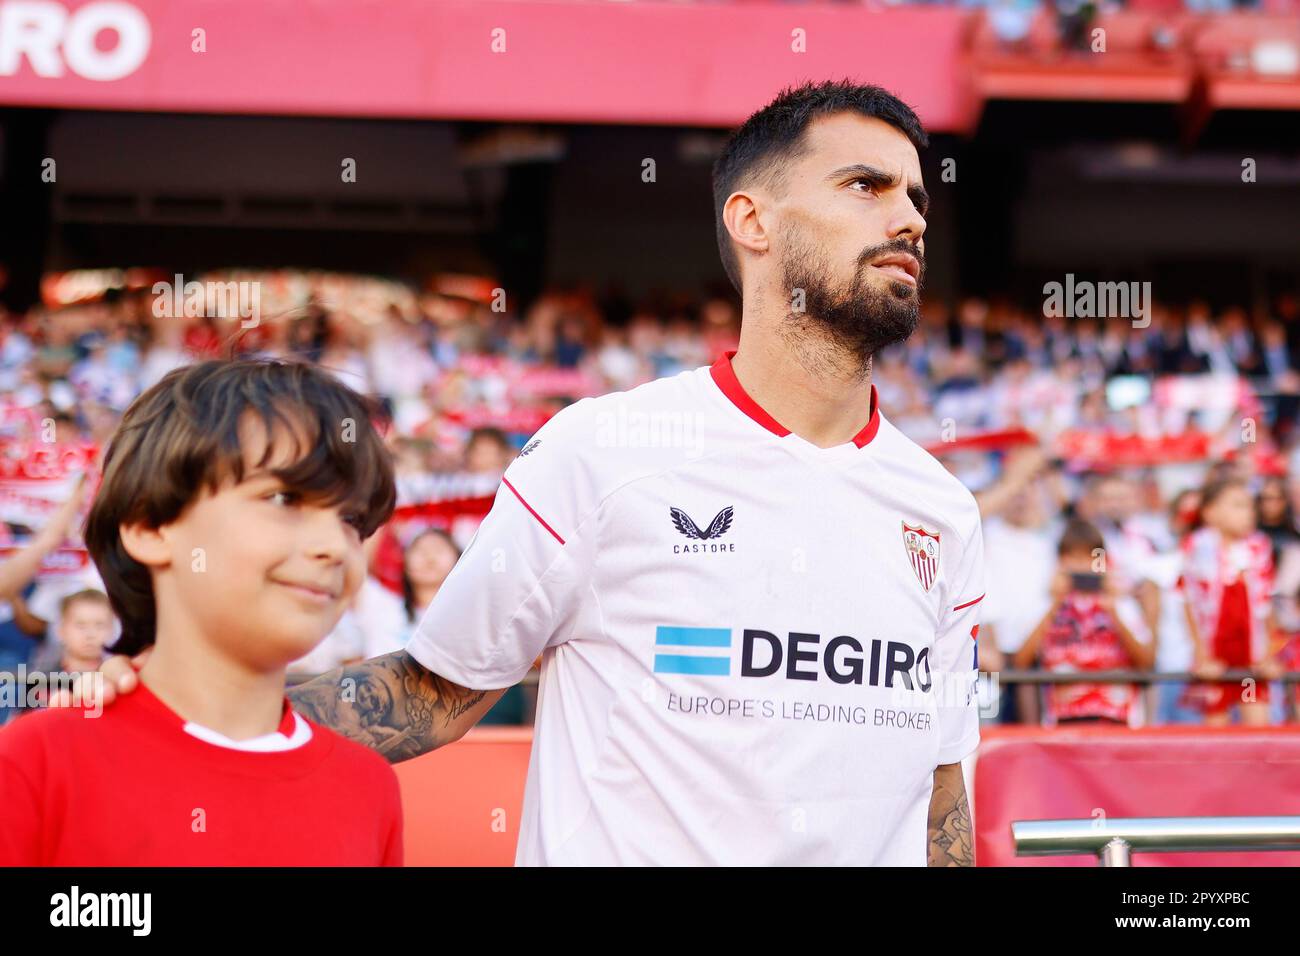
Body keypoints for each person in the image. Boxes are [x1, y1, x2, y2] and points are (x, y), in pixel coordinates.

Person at [84, 80, 985, 866]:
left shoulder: (942, 511)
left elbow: (943, 789)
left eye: (914, 196)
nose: (908, 215)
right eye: (865, 186)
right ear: (750, 220)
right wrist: (177, 714)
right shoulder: (603, 450)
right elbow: (434, 693)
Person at [0, 359, 403, 865]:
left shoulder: (369, 788)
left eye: (351, 518)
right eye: (283, 497)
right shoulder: (35, 765)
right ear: (150, 526)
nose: (333, 546)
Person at [1014, 520, 1154, 726]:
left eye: (1089, 557)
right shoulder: (1044, 603)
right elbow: (1021, 661)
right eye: (1073, 557)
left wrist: (1113, 611)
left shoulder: (1121, 603)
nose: (1081, 565)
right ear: (1061, 561)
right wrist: (1055, 604)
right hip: (1063, 720)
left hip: (1116, 718)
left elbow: (1146, 661)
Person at [1180, 477, 1283, 727]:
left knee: (1258, 731)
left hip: (1251, 660)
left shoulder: (1258, 547)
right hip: (1215, 661)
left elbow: (1266, 605)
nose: (1248, 513)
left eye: (1249, 506)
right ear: (1210, 512)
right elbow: (1190, 605)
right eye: (1237, 506)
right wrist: (1202, 656)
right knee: (1216, 734)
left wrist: (1269, 654)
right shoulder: (1197, 547)